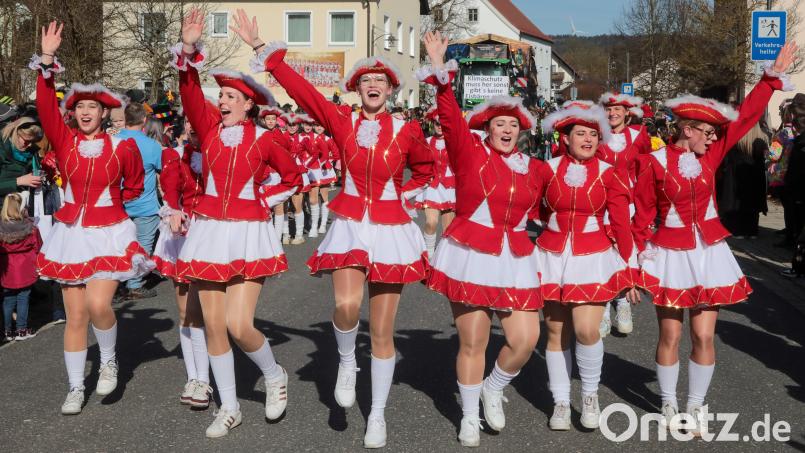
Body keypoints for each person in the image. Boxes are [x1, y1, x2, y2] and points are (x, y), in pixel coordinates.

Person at [233, 9, 433, 448]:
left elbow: (426, 167)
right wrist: (262, 51)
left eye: (380, 80)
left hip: (391, 227)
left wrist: (406, 195)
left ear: (392, 89)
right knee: (345, 305)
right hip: (350, 223)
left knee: (382, 331)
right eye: (365, 81)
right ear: (357, 89)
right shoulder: (342, 122)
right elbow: (304, 94)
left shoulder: (407, 130)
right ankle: (346, 360)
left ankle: (377, 414)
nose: (373, 85)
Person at [632, 42, 797, 432]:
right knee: (670, 334)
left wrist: (769, 81)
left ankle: (696, 404)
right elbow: (641, 216)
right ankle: (670, 402)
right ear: (686, 130)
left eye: (713, 134)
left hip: (708, 252)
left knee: (703, 335)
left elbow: (744, 120)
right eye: (706, 132)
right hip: (669, 254)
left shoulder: (710, 156)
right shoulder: (652, 163)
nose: (712, 138)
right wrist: (634, 264)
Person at [172, 9, 302, 438]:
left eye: (231, 97)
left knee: (238, 325)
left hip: (248, 232)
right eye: (221, 95)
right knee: (213, 324)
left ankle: (274, 373)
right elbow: (190, 92)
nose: (222, 101)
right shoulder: (208, 130)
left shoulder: (266, 139)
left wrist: (262, 197)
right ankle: (228, 406)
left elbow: (292, 177)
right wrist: (189, 48)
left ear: (249, 104)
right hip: (209, 230)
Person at [420, 31, 545, 447]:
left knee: (525, 340)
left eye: (513, 124)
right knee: (472, 340)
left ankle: (494, 385)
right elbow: (451, 118)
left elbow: (559, 205)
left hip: (516, 257)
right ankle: (469, 415)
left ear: (521, 130)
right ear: (487, 128)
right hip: (472, 252)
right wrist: (439, 70)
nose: (506, 130)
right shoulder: (469, 153)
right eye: (499, 124)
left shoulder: (535, 168)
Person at [32, 21, 154, 415]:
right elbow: (46, 105)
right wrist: (47, 59)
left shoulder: (122, 148)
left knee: (101, 304)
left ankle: (109, 359)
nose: (85, 112)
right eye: (80, 106)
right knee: (76, 315)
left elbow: (134, 186)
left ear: (104, 112)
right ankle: (73, 387)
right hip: (70, 233)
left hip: (108, 232)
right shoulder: (64, 142)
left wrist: (113, 210)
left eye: (92, 107)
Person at [539, 101, 638, 431]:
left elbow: (622, 223)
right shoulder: (547, 169)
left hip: (593, 256)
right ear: (565, 138)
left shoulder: (610, 173)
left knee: (586, 330)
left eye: (593, 134)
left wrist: (630, 269)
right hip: (552, 255)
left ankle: (590, 396)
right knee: (556, 332)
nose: (587, 139)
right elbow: (534, 209)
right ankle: (562, 402)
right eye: (580, 133)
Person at [151, 116, 211, 408]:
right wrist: (172, 211)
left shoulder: (224, 153)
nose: (194, 127)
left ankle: (213, 374)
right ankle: (196, 377)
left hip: (215, 235)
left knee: (214, 311)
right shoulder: (173, 155)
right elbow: (170, 189)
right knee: (187, 310)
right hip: (183, 234)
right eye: (190, 122)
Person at [596, 92, 652, 338]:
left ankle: (623, 302)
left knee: (624, 247)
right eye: (608, 109)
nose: (613, 113)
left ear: (627, 112)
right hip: (600, 198)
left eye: (617, 109)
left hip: (628, 201)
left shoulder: (638, 135)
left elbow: (646, 165)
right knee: (604, 248)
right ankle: (604, 306)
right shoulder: (596, 135)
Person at [116, 103, 163, 299]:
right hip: (145, 204)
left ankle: (117, 283)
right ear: (144, 120)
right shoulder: (153, 146)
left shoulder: (113, 141)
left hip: (118, 203)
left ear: (125, 118)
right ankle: (134, 284)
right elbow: (161, 173)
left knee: (119, 245)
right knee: (143, 245)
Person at [0, 193, 42, 341]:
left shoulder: (1, 228)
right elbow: (38, 246)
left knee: (8, 300)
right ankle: (21, 330)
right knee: (23, 298)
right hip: (26, 268)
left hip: (7, 269)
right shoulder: (30, 227)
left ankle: (6, 331)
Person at [415, 105, 456, 256]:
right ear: (433, 123)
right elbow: (417, 162)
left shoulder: (455, 142)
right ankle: (429, 256)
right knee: (430, 223)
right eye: (438, 123)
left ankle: (441, 259)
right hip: (431, 188)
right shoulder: (425, 141)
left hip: (450, 188)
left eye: (443, 124)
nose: (440, 127)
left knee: (447, 230)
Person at [717, 122, 769, 238]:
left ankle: (738, 230)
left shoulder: (737, 141)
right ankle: (752, 231)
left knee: (737, 205)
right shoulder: (760, 142)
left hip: (737, 179)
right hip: (755, 180)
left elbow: (727, 161)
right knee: (752, 205)